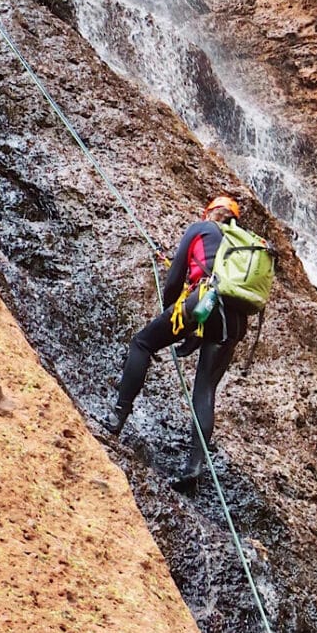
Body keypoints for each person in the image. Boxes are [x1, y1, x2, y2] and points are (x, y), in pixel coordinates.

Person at [105, 195, 249, 487]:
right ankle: (194, 467)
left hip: (204, 302)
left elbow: (173, 281)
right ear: (234, 221)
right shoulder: (242, 245)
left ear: (208, 213)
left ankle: (116, 419)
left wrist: (169, 316)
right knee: (206, 386)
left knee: (142, 344)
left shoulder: (200, 229)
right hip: (234, 319)